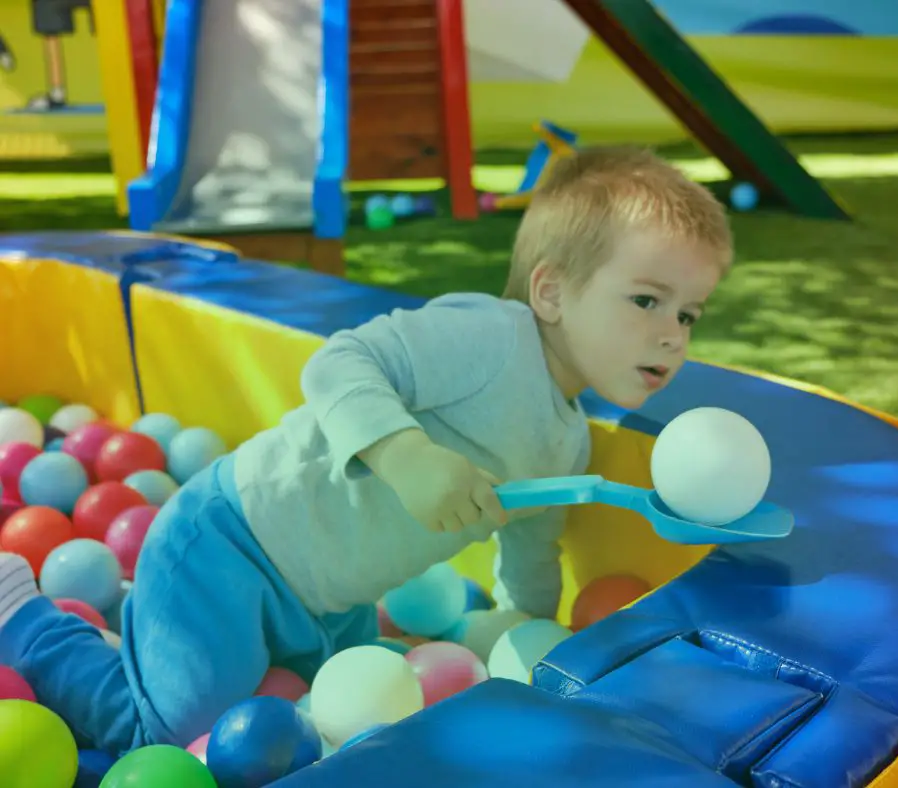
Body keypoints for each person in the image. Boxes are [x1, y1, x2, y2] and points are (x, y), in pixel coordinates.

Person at [0, 146, 733, 755]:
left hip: (328, 603)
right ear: (551, 291)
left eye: (688, 313)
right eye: (646, 299)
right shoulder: (490, 338)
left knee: (328, 734)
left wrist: (521, 631)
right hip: (232, 543)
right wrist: (406, 455)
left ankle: (146, 639)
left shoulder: (567, 438)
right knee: (165, 740)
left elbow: (531, 548)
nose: (673, 332)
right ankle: (27, 620)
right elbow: (340, 363)